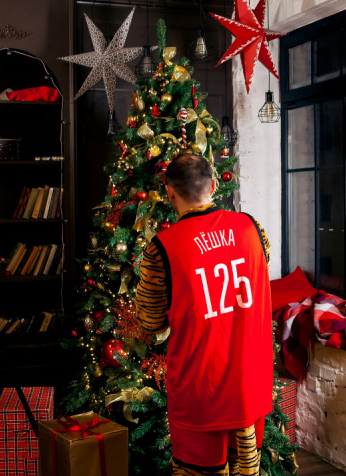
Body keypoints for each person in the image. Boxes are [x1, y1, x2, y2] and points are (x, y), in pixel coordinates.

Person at [135, 153, 273, 476]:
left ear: (170, 192)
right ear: (212, 187)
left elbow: (150, 322)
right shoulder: (252, 228)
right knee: (246, 469)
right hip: (249, 387)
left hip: (200, 392)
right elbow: (259, 273)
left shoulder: (161, 248)